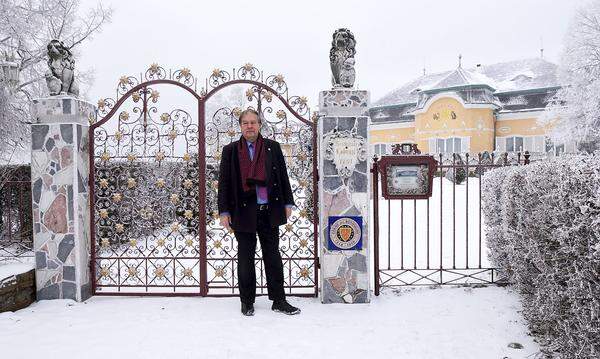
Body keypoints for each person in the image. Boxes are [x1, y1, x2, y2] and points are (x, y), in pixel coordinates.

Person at [217, 108, 301, 316]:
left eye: (253, 122)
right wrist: (224, 211)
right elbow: (224, 183)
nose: (249, 126)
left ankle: (279, 300)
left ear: (260, 124)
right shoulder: (231, 150)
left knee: (272, 256)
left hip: (269, 209)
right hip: (243, 212)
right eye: (245, 123)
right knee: (245, 257)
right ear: (240, 126)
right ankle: (247, 301)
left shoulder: (273, 148)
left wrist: (288, 203)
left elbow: (282, 175)